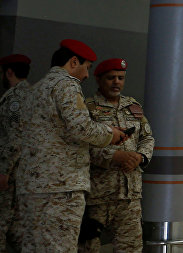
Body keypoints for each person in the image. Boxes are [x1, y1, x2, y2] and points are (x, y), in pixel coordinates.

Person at [15, 40, 127, 253]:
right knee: (60, 247)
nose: (87, 75)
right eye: (87, 67)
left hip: (32, 186)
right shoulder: (66, 84)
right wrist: (109, 134)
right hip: (61, 186)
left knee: (33, 246)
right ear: (74, 62)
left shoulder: (36, 89)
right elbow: (81, 127)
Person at [80, 58, 155, 253]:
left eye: (120, 78)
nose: (116, 82)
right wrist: (113, 156)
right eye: (111, 78)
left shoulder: (133, 107)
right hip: (97, 196)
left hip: (129, 196)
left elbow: (147, 138)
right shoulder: (87, 108)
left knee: (130, 248)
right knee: (88, 248)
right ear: (98, 79)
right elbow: (81, 147)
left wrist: (139, 157)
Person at [0, 53, 32, 251]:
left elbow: (15, 138)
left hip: (11, 172)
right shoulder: (31, 94)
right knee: (16, 226)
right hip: (23, 172)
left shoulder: (16, 99)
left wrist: (4, 171)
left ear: (9, 72)